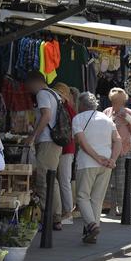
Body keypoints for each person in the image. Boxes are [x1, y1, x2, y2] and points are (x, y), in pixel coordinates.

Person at [72, 92, 122, 243]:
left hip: (87, 162)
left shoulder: (78, 118)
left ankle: (92, 225)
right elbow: (117, 140)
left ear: (80, 105)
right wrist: (112, 159)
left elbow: (82, 142)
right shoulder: (107, 119)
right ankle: (92, 232)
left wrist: (95, 157)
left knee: (82, 196)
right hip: (106, 163)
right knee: (97, 198)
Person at [24, 71, 63, 231]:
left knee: (43, 179)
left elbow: (46, 116)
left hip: (47, 140)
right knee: (51, 179)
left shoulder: (42, 94)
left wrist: (33, 136)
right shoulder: (55, 94)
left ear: (34, 82)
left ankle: (50, 217)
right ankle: (55, 216)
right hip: (54, 141)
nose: (29, 89)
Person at [103, 87, 131, 216]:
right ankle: (106, 204)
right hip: (109, 148)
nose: (117, 104)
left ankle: (120, 205)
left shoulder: (129, 112)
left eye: (119, 101)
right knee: (106, 178)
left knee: (120, 178)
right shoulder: (107, 111)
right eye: (114, 101)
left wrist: (129, 120)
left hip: (125, 149)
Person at [52, 82, 77, 223]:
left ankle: (67, 212)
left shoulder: (67, 108)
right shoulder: (65, 107)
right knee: (61, 180)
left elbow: (73, 122)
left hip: (66, 148)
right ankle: (64, 211)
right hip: (64, 147)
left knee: (64, 180)